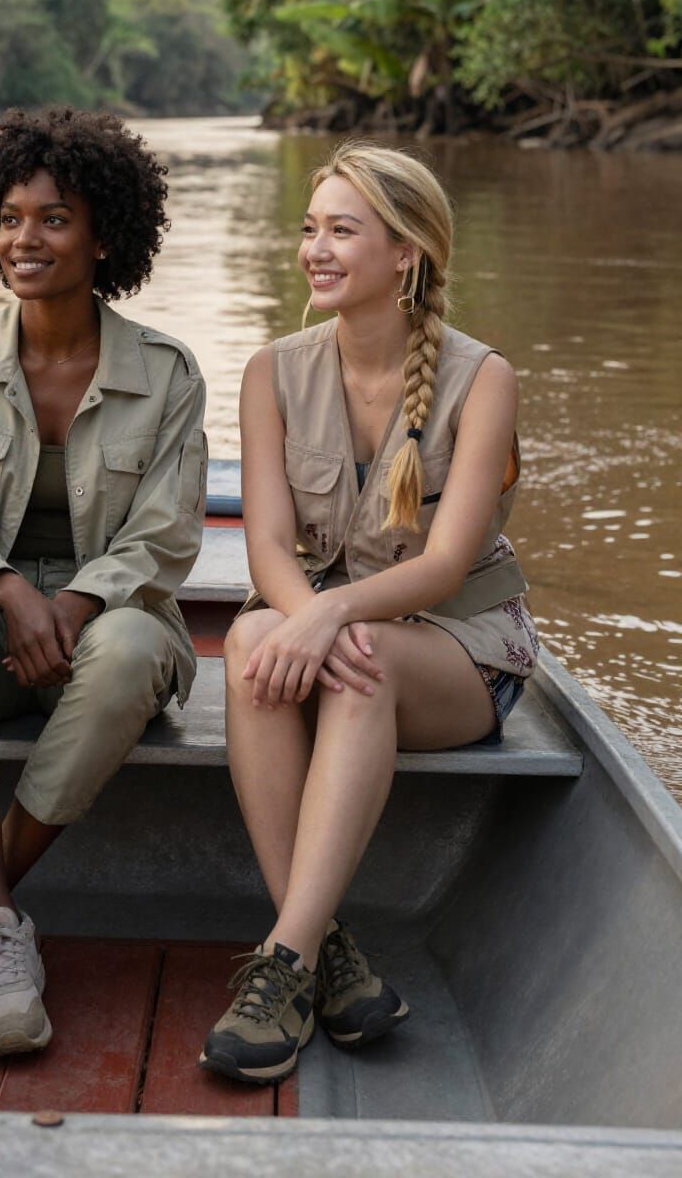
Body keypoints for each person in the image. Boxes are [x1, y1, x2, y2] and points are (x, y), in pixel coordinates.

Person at [201, 141, 538, 1085]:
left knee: (358, 660)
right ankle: (321, 951)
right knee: (253, 637)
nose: (315, 248)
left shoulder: (483, 378)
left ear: (407, 253)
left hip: (461, 652)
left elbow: (441, 567)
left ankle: (282, 964)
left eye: (342, 231)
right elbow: (267, 548)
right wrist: (307, 616)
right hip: (341, 626)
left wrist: (328, 618)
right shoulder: (273, 370)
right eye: (310, 229)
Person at [0, 108, 206, 1058]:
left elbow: (167, 535)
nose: (26, 238)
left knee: (137, 641)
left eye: (55, 218)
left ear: (107, 237)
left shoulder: (167, 373)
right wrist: (13, 592)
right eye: (12, 217)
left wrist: (73, 601)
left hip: (103, 638)